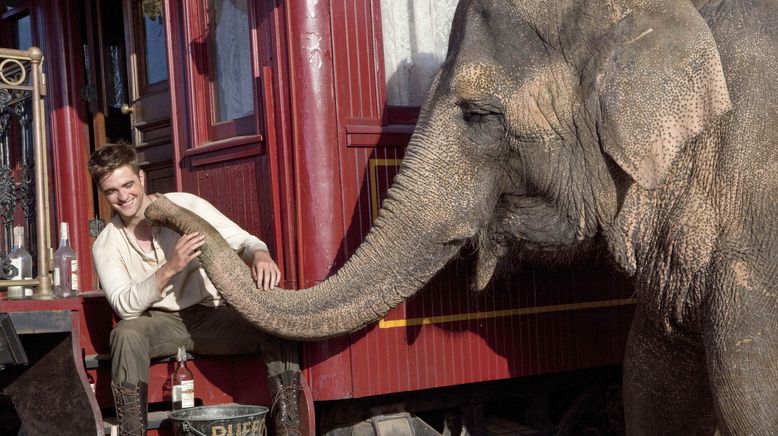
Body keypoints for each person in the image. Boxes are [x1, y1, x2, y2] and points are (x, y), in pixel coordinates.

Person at [88, 143, 305, 436]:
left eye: (127, 184)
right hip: (158, 322)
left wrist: (261, 255)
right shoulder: (105, 243)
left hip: (209, 316)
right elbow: (125, 306)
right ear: (103, 193)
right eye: (112, 191)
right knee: (125, 334)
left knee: (276, 324)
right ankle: (131, 432)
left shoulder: (185, 205)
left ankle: (290, 428)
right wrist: (170, 268)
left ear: (141, 179)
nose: (123, 196)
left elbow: (243, 241)